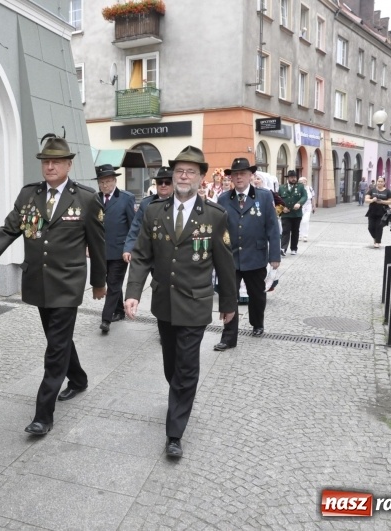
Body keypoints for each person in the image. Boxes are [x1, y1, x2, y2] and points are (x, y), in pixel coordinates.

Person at [0, 134, 106, 436]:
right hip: (38, 282)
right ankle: (78, 379)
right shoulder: (30, 196)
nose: (50, 166)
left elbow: (98, 244)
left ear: (68, 164)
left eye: (56, 161)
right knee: (59, 339)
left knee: (55, 348)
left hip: (67, 284)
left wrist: (99, 282)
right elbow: (9, 228)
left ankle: (43, 414)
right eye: (45, 161)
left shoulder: (86, 198)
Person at [124, 146, 236, 458]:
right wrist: (132, 293)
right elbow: (142, 255)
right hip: (164, 303)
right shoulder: (154, 212)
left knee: (186, 366)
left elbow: (225, 265)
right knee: (171, 363)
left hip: (195, 304)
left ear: (201, 178)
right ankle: (179, 394)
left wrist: (229, 305)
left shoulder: (214, 217)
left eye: (191, 171)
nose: (184, 176)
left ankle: (174, 433)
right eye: (179, 171)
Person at [214, 157, 281, 351]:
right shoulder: (224, 199)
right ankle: (228, 338)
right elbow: (219, 229)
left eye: (242, 173)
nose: (239, 177)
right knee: (229, 296)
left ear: (251, 175)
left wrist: (274, 255)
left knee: (257, 295)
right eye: (235, 174)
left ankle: (257, 323)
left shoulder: (264, 196)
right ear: (231, 178)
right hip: (230, 257)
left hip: (256, 255)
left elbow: (272, 227)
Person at [95, 163, 136, 333]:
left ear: (114, 181)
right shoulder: (95, 198)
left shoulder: (126, 198)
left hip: (120, 251)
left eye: (108, 181)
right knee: (112, 282)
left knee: (113, 283)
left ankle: (106, 319)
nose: (105, 185)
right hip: (101, 251)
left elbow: (133, 225)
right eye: (102, 182)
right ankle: (119, 311)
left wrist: (130, 248)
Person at [123, 167, 174, 262]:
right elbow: (136, 227)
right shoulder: (146, 203)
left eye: (167, 182)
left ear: (173, 184)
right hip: (151, 254)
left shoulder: (180, 203)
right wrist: (128, 249)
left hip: (173, 255)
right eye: (160, 182)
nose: (163, 185)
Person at [278, 170, 307, 255]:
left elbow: (304, 196)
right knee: (285, 231)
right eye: (291, 177)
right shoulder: (282, 187)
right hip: (286, 213)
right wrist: (282, 208)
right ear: (288, 178)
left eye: (294, 177)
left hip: (296, 213)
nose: (293, 179)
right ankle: (283, 248)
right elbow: (277, 200)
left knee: (295, 231)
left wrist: (299, 203)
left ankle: (294, 248)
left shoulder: (300, 187)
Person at [364, 176, 391, 249]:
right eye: (378, 181)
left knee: (379, 227)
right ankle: (375, 238)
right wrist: (372, 200)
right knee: (370, 227)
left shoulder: (387, 191)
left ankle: (377, 241)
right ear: (376, 182)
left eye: (381, 181)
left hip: (382, 212)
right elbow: (366, 200)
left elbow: (390, 201)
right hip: (372, 211)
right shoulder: (372, 190)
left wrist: (382, 201)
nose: (380, 183)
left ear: (384, 182)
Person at [298, 176, 315, 242]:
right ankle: (299, 235)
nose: (303, 183)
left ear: (306, 182)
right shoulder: (298, 189)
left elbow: (313, 197)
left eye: (304, 182)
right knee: (299, 221)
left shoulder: (310, 188)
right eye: (301, 182)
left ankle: (305, 235)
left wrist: (314, 206)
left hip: (308, 206)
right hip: (300, 206)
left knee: (305, 220)